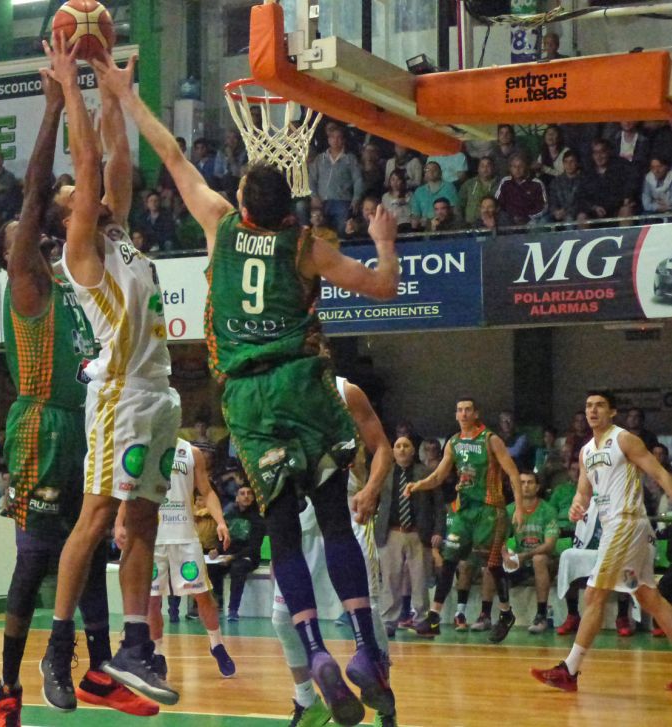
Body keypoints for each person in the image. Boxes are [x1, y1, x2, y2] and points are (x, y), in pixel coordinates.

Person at [94, 49, 401, 724]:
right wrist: (384, 239)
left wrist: (124, 94)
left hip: (248, 397)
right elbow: (382, 286)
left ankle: (314, 651)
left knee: (283, 534)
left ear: (241, 202)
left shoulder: (220, 225)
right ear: (288, 205)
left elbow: (172, 155)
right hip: (304, 385)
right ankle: (365, 646)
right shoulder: (308, 246)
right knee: (334, 518)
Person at [0, 64, 156, 724]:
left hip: (92, 413)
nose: (27, 227)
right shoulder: (30, 279)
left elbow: (114, 175)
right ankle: (8, 687)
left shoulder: (84, 269)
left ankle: (96, 669)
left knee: (88, 550)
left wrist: (113, 96)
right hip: (42, 423)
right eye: (22, 226)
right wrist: (55, 107)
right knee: (36, 558)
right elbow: (36, 193)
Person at [40, 37, 181, 710]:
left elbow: (117, 157)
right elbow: (91, 161)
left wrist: (111, 87)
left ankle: (133, 646)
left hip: (158, 393)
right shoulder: (81, 251)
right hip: (120, 395)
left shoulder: (117, 232)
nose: (90, 194)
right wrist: (72, 85)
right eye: (77, 195)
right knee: (96, 517)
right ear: (68, 216)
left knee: (143, 520)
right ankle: (57, 644)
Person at [273, 375, 397, 727]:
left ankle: (385, 703)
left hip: (348, 510)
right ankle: (307, 700)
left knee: (370, 614)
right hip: (301, 516)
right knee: (282, 617)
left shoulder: (346, 391)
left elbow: (383, 448)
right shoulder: (275, 388)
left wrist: (372, 489)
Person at [531, 391, 672, 692]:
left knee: (594, 594)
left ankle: (569, 670)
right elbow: (584, 492)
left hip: (626, 523)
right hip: (617, 527)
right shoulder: (585, 451)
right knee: (649, 598)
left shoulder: (624, 440)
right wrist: (577, 506)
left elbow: (660, 473)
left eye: (599, 406)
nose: (593, 411)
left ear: (612, 412)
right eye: (589, 406)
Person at [405, 398, 524, 643]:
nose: (463, 413)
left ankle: (505, 614)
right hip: (464, 510)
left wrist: (519, 507)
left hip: (489, 509)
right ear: (456, 415)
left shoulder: (490, 439)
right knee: (449, 559)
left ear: (476, 413)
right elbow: (438, 476)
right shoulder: (454, 442)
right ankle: (434, 618)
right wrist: (418, 485)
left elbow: (513, 473)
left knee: (491, 564)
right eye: (459, 410)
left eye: (468, 409)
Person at [138, 438, 236, 678]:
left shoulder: (191, 452)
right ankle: (158, 653)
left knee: (202, 595)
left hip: (184, 535)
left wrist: (221, 522)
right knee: (152, 601)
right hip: (152, 537)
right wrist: (120, 523)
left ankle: (217, 644)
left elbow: (207, 491)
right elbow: (130, 493)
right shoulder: (143, 449)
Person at [375, 436, 442, 638]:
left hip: (418, 532)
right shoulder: (384, 472)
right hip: (391, 531)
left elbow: (439, 505)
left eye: (406, 446)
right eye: (398, 446)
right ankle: (388, 621)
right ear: (393, 451)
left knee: (420, 578)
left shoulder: (426, 473)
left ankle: (421, 620)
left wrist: (438, 530)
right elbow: (375, 499)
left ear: (413, 450)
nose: (402, 449)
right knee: (390, 579)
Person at [502, 471, 559, 634]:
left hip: (546, 562)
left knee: (539, 559)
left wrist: (524, 556)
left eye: (530, 482)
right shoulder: (509, 510)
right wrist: (505, 555)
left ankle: (541, 615)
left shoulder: (548, 510)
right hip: (518, 561)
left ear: (538, 487)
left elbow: (549, 545)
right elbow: (499, 540)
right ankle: (488, 614)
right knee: (491, 563)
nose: (526, 486)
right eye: (522, 482)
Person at [207, 483, 266, 621]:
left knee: (237, 568)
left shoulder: (258, 520)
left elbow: (253, 548)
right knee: (211, 567)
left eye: (249, 493)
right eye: (242, 493)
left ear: (253, 498)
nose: (246, 496)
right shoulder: (229, 516)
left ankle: (233, 610)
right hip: (229, 555)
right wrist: (217, 550)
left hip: (248, 557)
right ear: (237, 498)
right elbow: (224, 541)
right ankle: (217, 601)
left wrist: (232, 557)